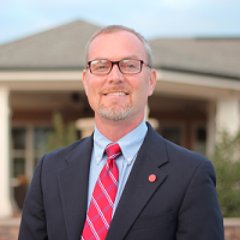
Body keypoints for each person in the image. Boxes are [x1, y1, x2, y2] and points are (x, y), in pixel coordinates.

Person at [18, 25, 224, 240]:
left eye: (129, 65)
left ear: (151, 81)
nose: (115, 77)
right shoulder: (50, 170)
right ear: (86, 81)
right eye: (101, 66)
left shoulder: (190, 174)